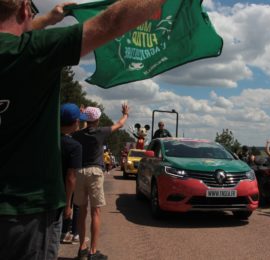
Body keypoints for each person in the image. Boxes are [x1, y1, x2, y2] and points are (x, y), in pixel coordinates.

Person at [0, 0, 165, 259]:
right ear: (24, 9)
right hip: (26, 210)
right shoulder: (34, 51)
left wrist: (45, 20)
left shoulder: (77, 136)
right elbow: (110, 22)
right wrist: (125, 116)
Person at [73, 104, 129, 259]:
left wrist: (82, 116)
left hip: (79, 172)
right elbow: (120, 124)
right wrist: (125, 113)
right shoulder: (101, 132)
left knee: (81, 212)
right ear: (97, 119)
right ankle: (93, 252)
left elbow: (83, 128)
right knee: (96, 212)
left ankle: (82, 247)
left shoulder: (77, 134)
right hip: (95, 172)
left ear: (85, 120)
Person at [60, 103, 86, 244]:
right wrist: (68, 204)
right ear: (76, 122)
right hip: (62, 194)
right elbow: (71, 178)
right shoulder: (75, 146)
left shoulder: (48, 138)